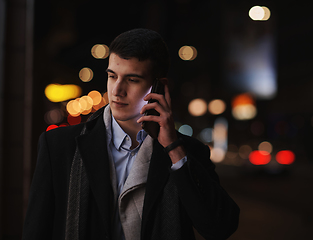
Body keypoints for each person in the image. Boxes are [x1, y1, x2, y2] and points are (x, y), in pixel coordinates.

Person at [22, 28, 240, 240]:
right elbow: (36, 231)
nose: (117, 90)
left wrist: (173, 149)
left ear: (158, 87)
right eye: (112, 76)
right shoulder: (59, 146)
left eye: (132, 79)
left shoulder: (187, 153)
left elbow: (220, 228)